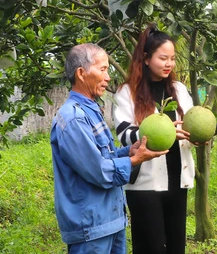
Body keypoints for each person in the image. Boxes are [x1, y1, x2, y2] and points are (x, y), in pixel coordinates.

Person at [50, 43, 168, 253]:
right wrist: (134, 160)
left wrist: (130, 150)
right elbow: (98, 170)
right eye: (102, 69)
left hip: (109, 221)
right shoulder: (74, 118)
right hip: (91, 228)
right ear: (81, 73)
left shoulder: (91, 110)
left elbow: (106, 156)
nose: (107, 77)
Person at [113, 24, 195, 254]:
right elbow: (125, 136)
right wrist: (159, 130)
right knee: (151, 247)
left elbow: (191, 125)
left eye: (172, 58)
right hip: (144, 185)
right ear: (147, 59)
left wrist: (196, 138)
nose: (169, 63)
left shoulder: (179, 90)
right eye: (163, 58)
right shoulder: (127, 93)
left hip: (178, 181)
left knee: (176, 247)